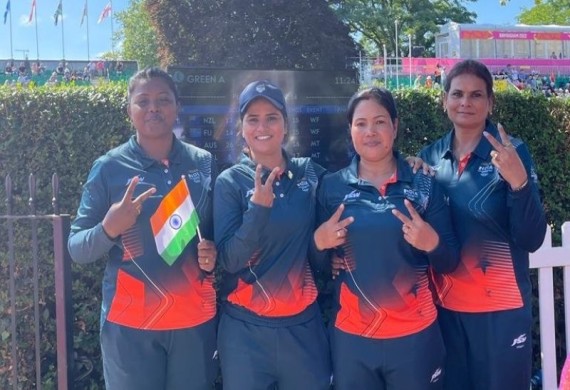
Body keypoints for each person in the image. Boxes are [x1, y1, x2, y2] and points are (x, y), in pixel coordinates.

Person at [68, 67, 219, 390]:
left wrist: (214, 252)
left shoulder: (203, 162)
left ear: (177, 107)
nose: (154, 108)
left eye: (163, 100)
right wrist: (109, 227)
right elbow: (77, 248)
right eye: (143, 101)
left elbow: (217, 232)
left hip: (194, 323)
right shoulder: (108, 167)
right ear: (129, 111)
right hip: (131, 327)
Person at [313, 87, 460, 390]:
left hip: (416, 338)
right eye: (361, 123)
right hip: (353, 341)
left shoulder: (424, 184)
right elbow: (316, 267)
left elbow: (450, 260)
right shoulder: (331, 187)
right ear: (351, 130)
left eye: (380, 122)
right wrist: (320, 244)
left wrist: (431, 243)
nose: (370, 132)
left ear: (395, 126)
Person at [419, 59, 547, 390]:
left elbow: (532, 238)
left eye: (476, 95)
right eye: (457, 94)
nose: (466, 102)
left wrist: (520, 183)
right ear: (444, 100)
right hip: (446, 311)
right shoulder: (429, 157)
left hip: (500, 313)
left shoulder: (512, 151)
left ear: (490, 102)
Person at [213, 80, 331, 390]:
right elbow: (229, 260)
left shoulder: (310, 173)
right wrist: (258, 210)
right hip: (245, 332)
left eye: (272, 117)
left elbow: (360, 179)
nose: (262, 126)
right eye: (253, 119)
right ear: (241, 128)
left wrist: (407, 164)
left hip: (303, 328)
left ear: (285, 125)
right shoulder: (230, 182)